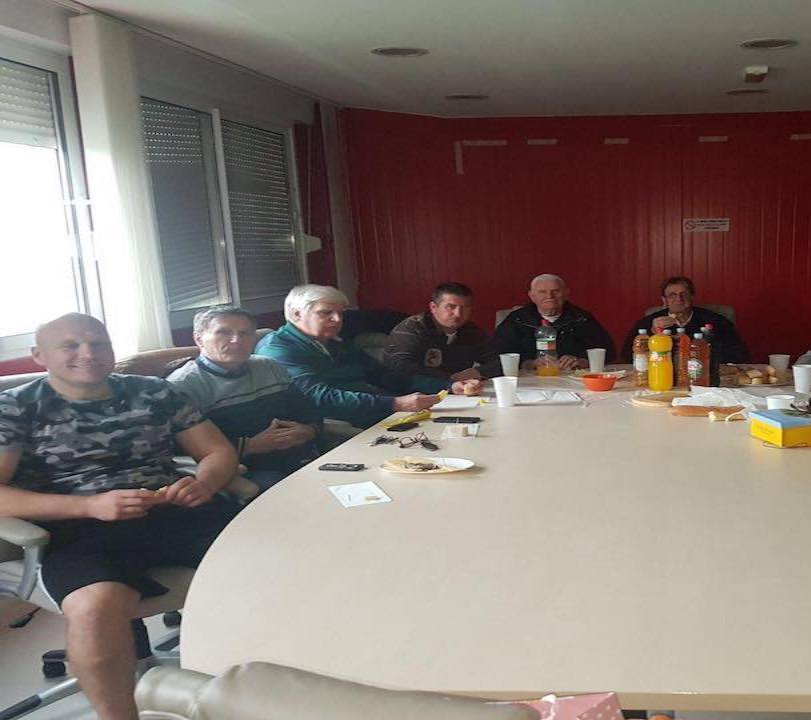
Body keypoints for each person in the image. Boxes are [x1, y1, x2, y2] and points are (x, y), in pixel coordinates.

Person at [0, 314, 240, 720]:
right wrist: (90, 506)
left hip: (174, 509)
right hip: (79, 526)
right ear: (39, 355)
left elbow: (217, 451)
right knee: (95, 610)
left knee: (281, 561)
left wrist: (205, 483)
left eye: (99, 344)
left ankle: (270, 688)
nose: (88, 353)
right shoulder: (15, 407)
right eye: (70, 345)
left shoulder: (154, 391)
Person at [255, 285, 477, 428]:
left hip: (377, 410)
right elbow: (319, 398)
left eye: (340, 313)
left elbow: (385, 375)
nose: (337, 320)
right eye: (326, 313)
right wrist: (394, 403)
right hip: (336, 423)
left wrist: (448, 386)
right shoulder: (278, 349)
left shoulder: (335, 342)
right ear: (297, 314)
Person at [168, 306, 320, 491]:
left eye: (245, 333)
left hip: (301, 454)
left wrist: (309, 429)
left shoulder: (269, 366)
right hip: (245, 467)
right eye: (224, 333)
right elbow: (178, 448)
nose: (236, 340)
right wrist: (249, 446)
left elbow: (307, 409)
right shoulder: (182, 385)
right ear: (198, 339)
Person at [491, 274, 614, 371]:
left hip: (572, 378)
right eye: (542, 292)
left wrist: (582, 361)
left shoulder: (582, 318)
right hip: (528, 380)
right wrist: (530, 363)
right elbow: (496, 356)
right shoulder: (517, 319)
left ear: (566, 293)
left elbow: (608, 352)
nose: (550, 296)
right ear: (532, 296)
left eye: (556, 291)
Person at [623, 276, 747, 364]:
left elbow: (740, 354)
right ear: (664, 300)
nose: (679, 299)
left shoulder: (716, 320)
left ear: (692, 297)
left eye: (684, 294)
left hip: (704, 375)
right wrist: (653, 335)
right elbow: (627, 355)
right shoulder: (649, 322)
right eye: (672, 295)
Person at [384, 282, 489, 382]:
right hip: (412, 390)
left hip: (456, 389)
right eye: (450, 307)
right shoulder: (412, 328)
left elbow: (496, 361)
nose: (458, 314)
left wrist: (478, 372)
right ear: (433, 307)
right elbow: (400, 366)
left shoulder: (471, 331)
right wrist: (449, 379)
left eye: (465, 308)